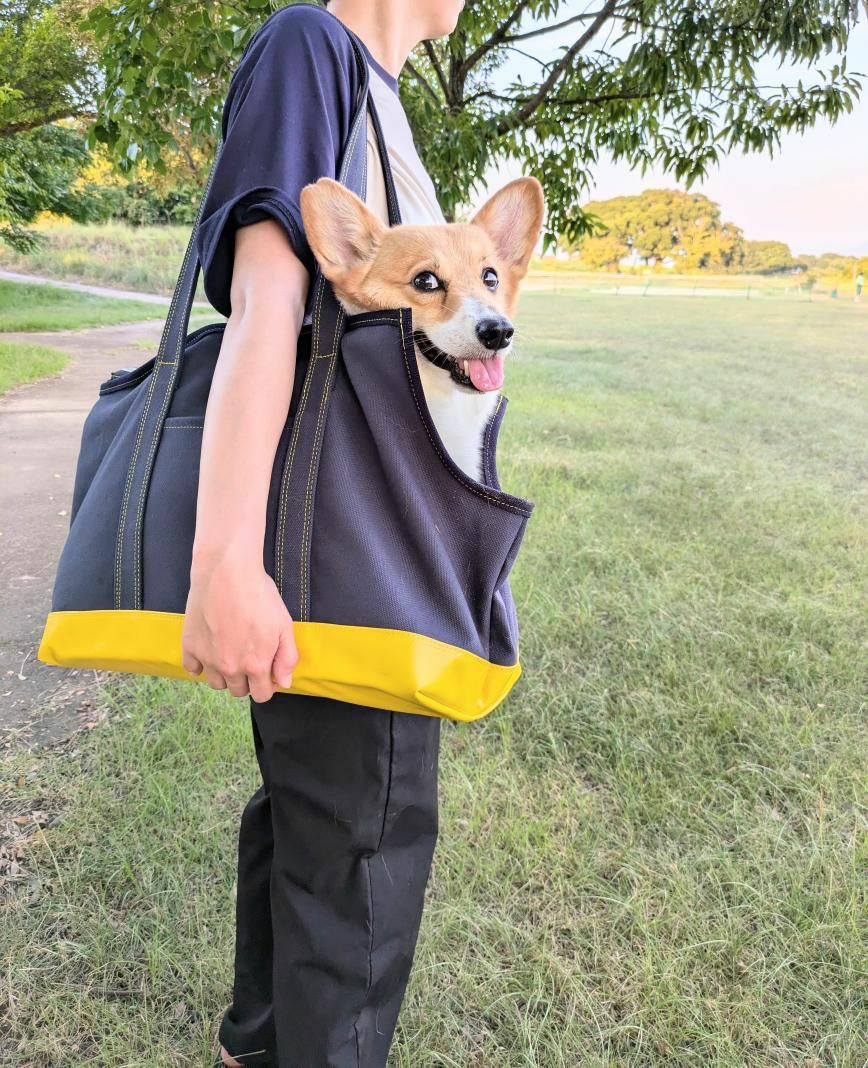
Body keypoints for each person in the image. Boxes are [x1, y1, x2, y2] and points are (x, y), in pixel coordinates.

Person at [180, 1, 465, 1065]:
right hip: (347, 554)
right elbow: (265, 305)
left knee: (312, 811)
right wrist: (226, 560)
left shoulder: (379, 102)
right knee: (365, 837)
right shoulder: (313, 47)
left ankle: (256, 1043)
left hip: (360, 540)